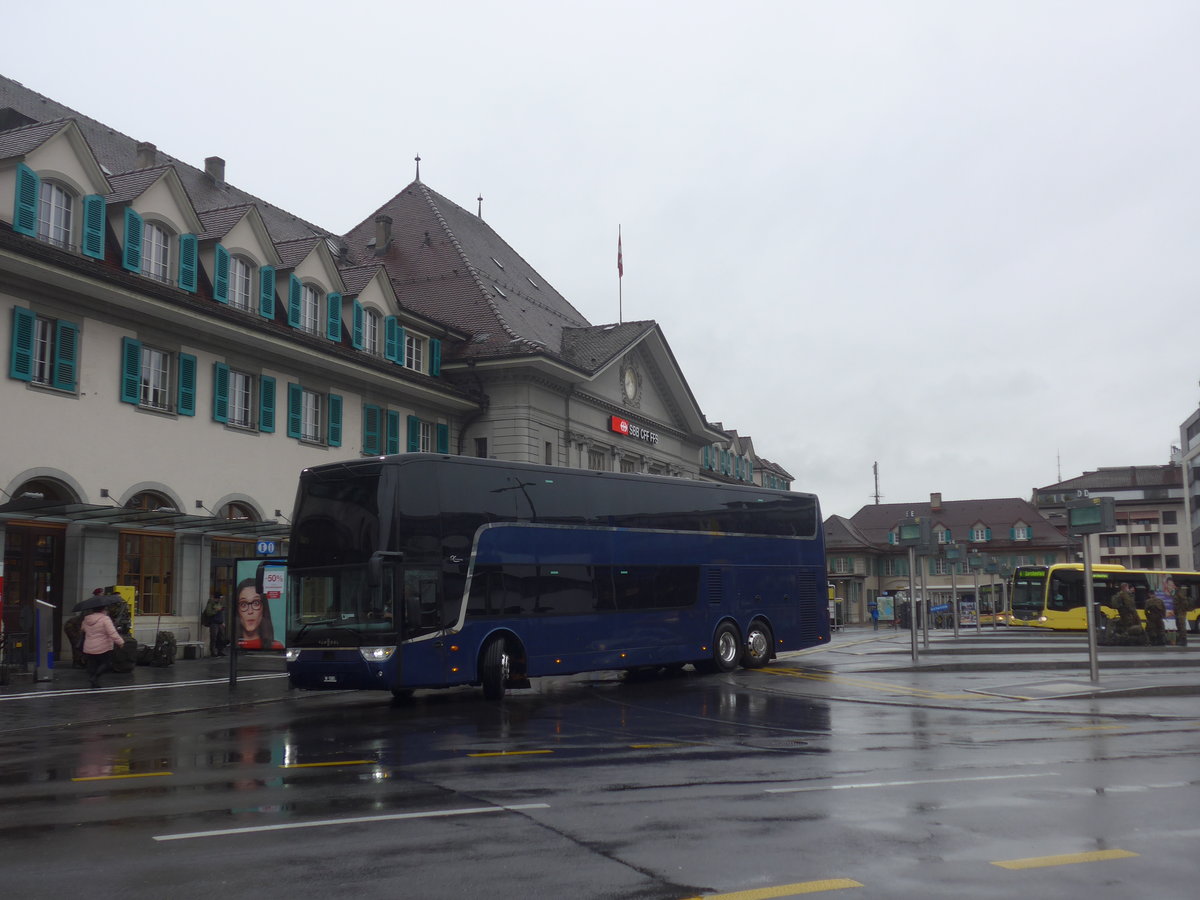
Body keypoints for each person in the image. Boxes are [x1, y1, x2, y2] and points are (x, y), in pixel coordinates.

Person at [80, 605, 125, 688]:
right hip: (103, 646)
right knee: (106, 663)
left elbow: (83, 629)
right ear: (103, 610)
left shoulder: (86, 619)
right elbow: (112, 633)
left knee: (93, 664)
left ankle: (94, 681)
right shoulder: (105, 619)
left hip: (89, 645)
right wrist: (120, 642)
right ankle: (95, 677)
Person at [235, 578, 283, 650]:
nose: (250, 611)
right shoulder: (230, 648)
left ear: (263, 608)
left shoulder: (276, 647)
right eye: (243, 604)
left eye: (256, 603)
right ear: (237, 610)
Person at [203, 592, 227, 657]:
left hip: (220, 622)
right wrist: (216, 610)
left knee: (221, 637)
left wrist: (222, 622)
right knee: (214, 637)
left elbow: (221, 613)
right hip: (214, 623)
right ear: (216, 598)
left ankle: (220, 650)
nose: (220, 600)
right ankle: (213, 651)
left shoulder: (219, 603)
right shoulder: (211, 603)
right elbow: (208, 613)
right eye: (219, 598)